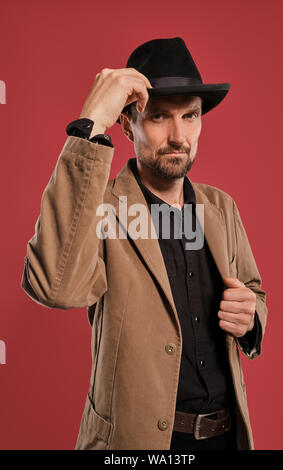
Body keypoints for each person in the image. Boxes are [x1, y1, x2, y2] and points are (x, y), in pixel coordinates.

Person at [21, 37, 267, 450]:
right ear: (126, 123)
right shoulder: (98, 207)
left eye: (190, 115)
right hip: (138, 444)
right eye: (158, 117)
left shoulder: (221, 207)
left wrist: (251, 317)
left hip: (226, 437)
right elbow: (55, 286)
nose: (178, 135)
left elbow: (253, 291)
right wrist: (90, 123)